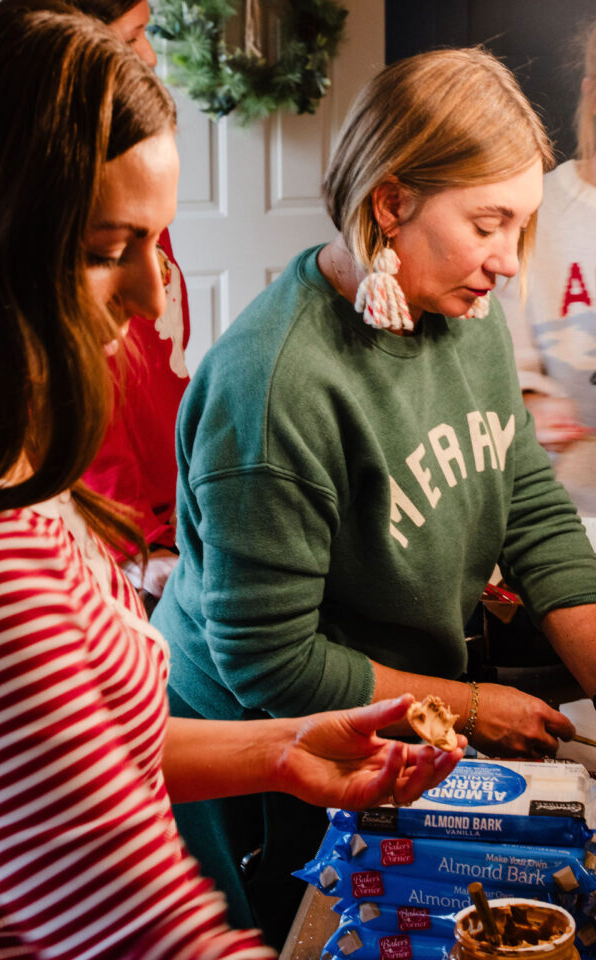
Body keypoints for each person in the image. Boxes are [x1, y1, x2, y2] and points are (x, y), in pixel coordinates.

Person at [0, 6, 466, 957]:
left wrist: (288, 748)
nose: (155, 298)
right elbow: (164, 942)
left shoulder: (18, 490)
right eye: (109, 251)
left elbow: (74, 749)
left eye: (159, 241)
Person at [151, 46, 596, 946]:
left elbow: (529, 507)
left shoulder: (457, 313)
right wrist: (472, 705)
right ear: (389, 204)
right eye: (488, 223)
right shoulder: (275, 385)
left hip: (394, 716)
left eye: (523, 226)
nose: (510, 262)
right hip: (264, 759)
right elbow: (269, 665)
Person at [71, 0, 189, 604]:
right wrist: (136, 540)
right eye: (134, 34)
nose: (148, 55)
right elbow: (94, 394)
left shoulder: (133, 195)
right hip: (124, 537)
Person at [497, 22, 596, 517]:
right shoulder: (537, 209)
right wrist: (535, 399)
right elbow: (507, 359)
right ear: (591, 92)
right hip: (567, 511)